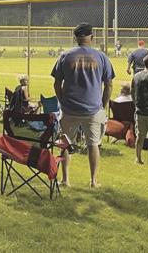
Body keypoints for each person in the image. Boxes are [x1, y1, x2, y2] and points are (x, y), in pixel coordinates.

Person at [51, 22, 114, 188]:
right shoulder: (101, 57)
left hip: (69, 108)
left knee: (65, 143)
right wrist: (103, 104)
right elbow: (109, 85)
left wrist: (63, 100)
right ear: (91, 37)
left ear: (75, 38)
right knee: (93, 144)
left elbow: (57, 84)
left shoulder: (65, 55)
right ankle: (93, 181)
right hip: (93, 108)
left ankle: (65, 179)